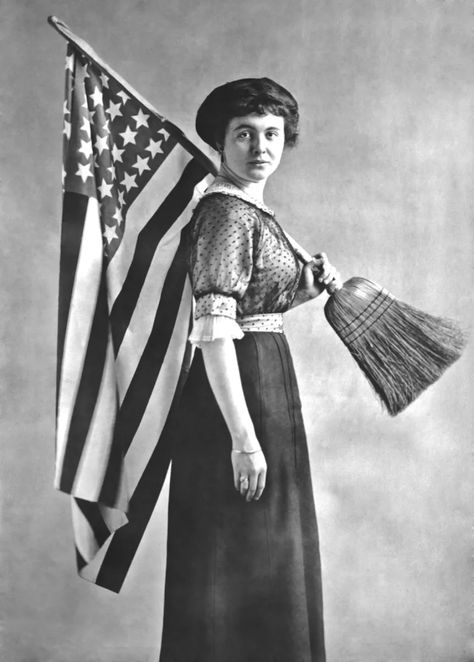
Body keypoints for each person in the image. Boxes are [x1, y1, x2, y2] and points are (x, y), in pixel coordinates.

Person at [159, 77, 341, 662]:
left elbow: (253, 306)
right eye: (244, 134)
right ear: (221, 142)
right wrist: (243, 439)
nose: (260, 147)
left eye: (272, 134)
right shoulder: (225, 210)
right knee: (236, 557)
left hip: (266, 380)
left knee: (268, 557)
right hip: (237, 397)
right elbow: (214, 332)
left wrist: (304, 290)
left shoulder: (251, 209)